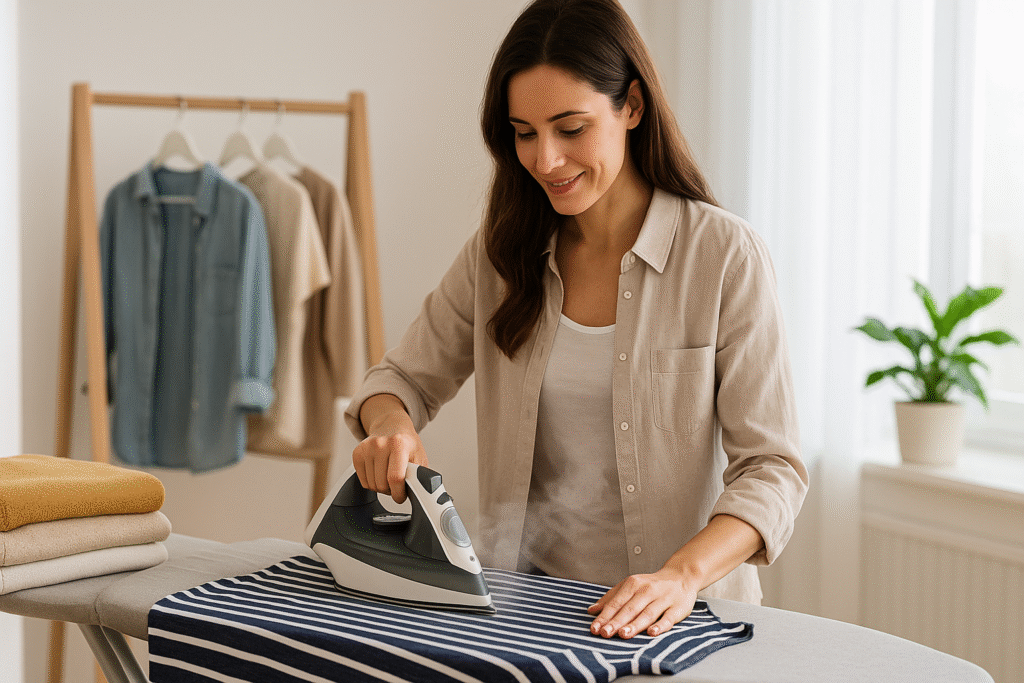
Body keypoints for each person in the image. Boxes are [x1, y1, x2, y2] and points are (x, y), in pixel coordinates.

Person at [343, 0, 808, 640]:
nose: (546, 160)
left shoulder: (723, 257)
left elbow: (772, 469)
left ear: (632, 107)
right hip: (527, 615)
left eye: (570, 128)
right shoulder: (501, 254)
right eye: (524, 132)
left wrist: (680, 576)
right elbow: (399, 380)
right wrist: (391, 428)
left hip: (683, 620)